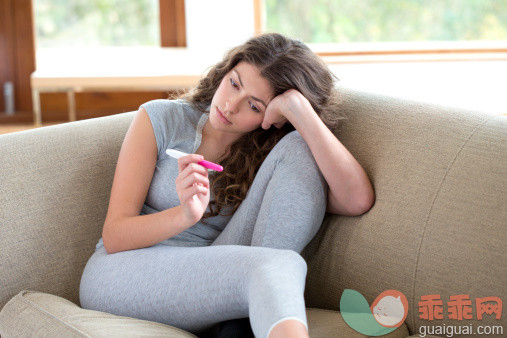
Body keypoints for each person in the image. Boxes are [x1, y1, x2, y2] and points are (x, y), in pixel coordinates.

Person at [79, 32, 375, 338]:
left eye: (254, 106)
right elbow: (114, 236)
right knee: (275, 266)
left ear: (273, 118)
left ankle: (241, 322)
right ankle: (242, 321)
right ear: (225, 71)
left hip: (215, 275)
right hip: (124, 271)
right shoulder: (161, 119)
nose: (231, 106)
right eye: (234, 83)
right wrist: (184, 215)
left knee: (301, 146)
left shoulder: (271, 152)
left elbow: (356, 200)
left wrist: (300, 113)